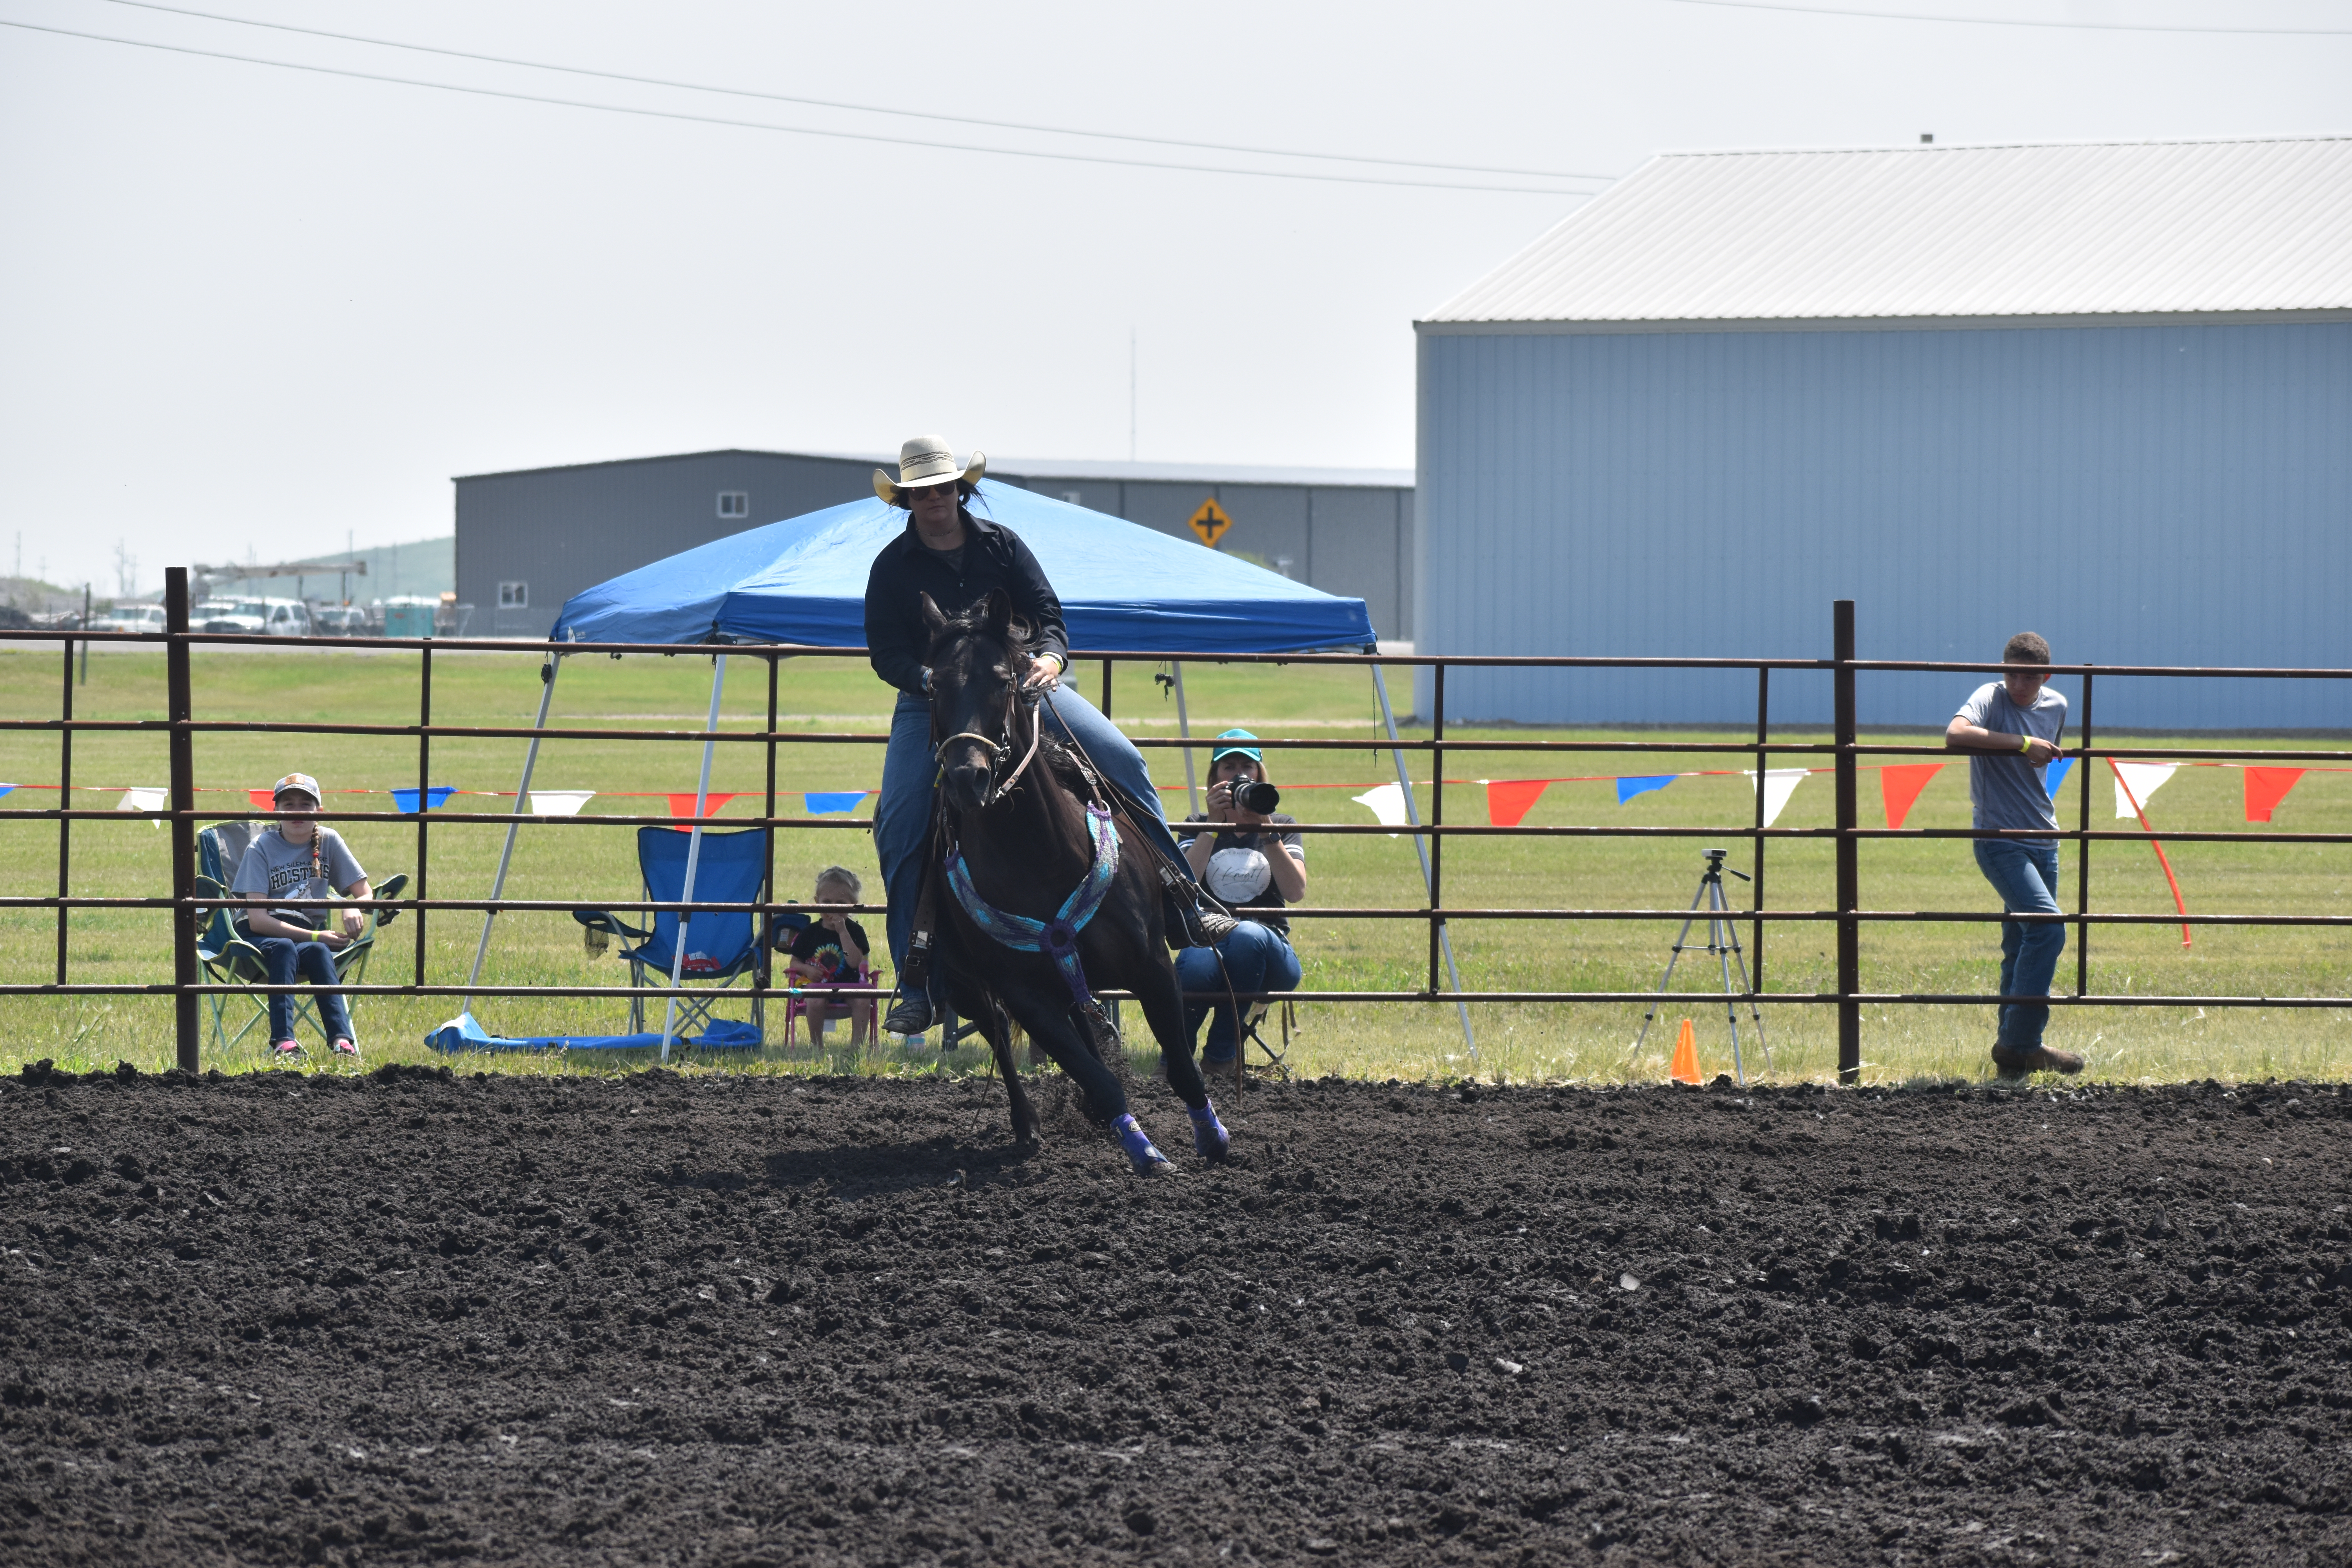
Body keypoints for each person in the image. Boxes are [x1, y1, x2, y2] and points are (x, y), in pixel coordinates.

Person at [862, 435, 1234, 1038]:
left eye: (944, 487)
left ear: (961, 489)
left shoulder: (1003, 545)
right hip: (936, 702)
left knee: (1124, 761)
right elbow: (885, 652)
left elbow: (1049, 615)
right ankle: (917, 977)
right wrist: (927, 677)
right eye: (922, 491)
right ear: (906, 500)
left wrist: (1053, 661)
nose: (935, 498)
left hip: (1022, 686)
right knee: (900, 821)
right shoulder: (891, 568)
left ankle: (1184, 902)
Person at [1945, 633, 2084, 1078]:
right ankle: (2023, 1045)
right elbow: (1956, 734)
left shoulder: (2058, 704)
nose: (2018, 682)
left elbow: (2046, 768)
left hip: (2044, 836)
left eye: (2029, 675)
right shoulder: (1990, 695)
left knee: (2020, 942)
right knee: (2047, 930)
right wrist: (2023, 744)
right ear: (2002, 670)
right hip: (1998, 836)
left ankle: (2012, 1061)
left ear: (2046, 675)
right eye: (2011, 672)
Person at [1175, 731, 1306, 1070]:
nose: (1238, 775)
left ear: (1261, 774)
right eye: (1228, 767)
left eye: (1248, 766)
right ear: (1214, 778)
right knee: (1197, 965)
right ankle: (1176, 1057)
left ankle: (1221, 1054)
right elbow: (1183, 888)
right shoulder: (1196, 825)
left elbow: (1295, 892)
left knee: (1248, 935)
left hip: (1270, 950)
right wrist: (1213, 826)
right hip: (1209, 940)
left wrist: (1266, 832)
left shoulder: (1282, 825)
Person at [229, 773, 372, 1058]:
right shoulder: (261, 847)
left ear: (318, 811)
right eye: (288, 804)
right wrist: (317, 935)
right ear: (276, 811)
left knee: (319, 951)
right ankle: (284, 1043)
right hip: (258, 935)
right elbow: (257, 920)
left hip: (304, 934)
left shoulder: (329, 841)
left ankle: (342, 1042)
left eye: (306, 804)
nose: (297, 811)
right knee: (289, 947)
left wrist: (349, 904)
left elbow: (366, 894)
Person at [777, 866, 873, 1046]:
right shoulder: (809, 933)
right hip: (818, 988)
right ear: (817, 902)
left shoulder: (855, 931)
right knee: (815, 1000)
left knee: (863, 999)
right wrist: (807, 970)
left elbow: (854, 962)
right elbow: (794, 962)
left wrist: (843, 931)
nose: (833, 909)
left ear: (853, 904)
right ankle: (817, 1046)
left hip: (849, 987)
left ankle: (857, 1048)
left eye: (841, 904)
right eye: (827, 902)